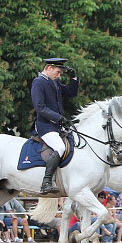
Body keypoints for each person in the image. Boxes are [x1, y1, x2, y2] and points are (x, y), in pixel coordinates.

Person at [31, 57, 79, 194]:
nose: (59, 75)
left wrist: (73, 78)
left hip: (57, 125)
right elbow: (40, 107)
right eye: (57, 72)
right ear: (49, 68)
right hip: (45, 125)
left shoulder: (54, 82)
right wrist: (58, 118)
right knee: (60, 147)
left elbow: (71, 93)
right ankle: (46, 181)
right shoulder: (38, 82)